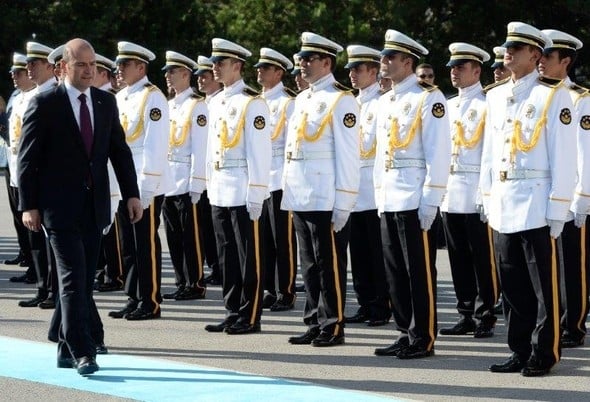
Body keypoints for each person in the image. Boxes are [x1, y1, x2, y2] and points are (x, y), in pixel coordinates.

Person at [18, 38, 141, 376]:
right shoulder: (45, 103)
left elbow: (119, 151)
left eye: (93, 65)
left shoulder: (104, 101)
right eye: (81, 65)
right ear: (63, 68)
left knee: (84, 281)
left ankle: (62, 345)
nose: (90, 71)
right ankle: (83, 351)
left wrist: (132, 194)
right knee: (72, 278)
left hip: (94, 206)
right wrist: (28, 205)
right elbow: (27, 161)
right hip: (57, 209)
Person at [481, 22, 576, 377]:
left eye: (516, 49)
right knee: (512, 286)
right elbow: (489, 154)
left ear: (535, 54)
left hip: (537, 202)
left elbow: (564, 156)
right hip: (504, 200)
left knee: (542, 287)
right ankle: (519, 349)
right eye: (507, 47)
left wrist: (558, 207)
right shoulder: (494, 95)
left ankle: (544, 352)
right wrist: (486, 197)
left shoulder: (552, 95)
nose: (508, 53)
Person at [373, 29, 451, 359]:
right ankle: (405, 331)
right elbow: (380, 154)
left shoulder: (428, 98)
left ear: (408, 62)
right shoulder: (386, 101)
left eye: (390, 57)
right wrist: (379, 194)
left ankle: (424, 336)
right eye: (384, 57)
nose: (384, 62)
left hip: (414, 196)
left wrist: (431, 198)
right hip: (390, 195)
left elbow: (438, 152)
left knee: (418, 271)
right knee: (395, 271)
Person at [282, 32, 360, 347]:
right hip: (301, 191)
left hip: (325, 194)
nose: (302, 64)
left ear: (326, 62)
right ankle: (314, 319)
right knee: (310, 264)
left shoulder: (342, 100)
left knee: (329, 264)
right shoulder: (302, 99)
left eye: (308, 59)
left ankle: (333, 324)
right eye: (301, 59)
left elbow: (348, 155)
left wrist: (344, 202)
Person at [204, 38, 271, 335]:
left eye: (221, 63)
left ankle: (250, 314)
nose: (215, 68)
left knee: (248, 256)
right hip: (220, 186)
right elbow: (211, 148)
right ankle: (232, 310)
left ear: (237, 66)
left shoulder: (252, 102)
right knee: (227, 255)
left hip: (243, 187)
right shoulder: (216, 101)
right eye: (214, 63)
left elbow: (259, 153)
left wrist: (256, 193)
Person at [438, 43, 499, 339]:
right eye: (452, 67)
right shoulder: (448, 106)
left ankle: (484, 313)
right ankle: (465, 313)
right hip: (451, 189)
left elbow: (491, 152)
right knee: (457, 256)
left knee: (481, 257)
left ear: (477, 70)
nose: (454, 72)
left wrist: (486, 193)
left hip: (475, 188)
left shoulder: (488, 105)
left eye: (460, 67)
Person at [108, 41, 171, 321]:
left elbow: (155, 146)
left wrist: (146, 189)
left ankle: (150, 300)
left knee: (144, 243)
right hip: (123, 182)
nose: (117, 70)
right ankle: (133, 296)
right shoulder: (120, 97)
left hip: (144, 183)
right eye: (118, 64)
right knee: (128, 244)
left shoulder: (152, 97)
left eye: (124, 65)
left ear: (141, 67)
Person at [539, 29, 589, 349]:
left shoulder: (579, 99)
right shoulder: (537, 95)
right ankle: (551, 319)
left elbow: (586, 151)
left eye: (548, 57)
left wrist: (582, 198)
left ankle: (574, 323)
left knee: (572, 263)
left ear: (565, 61)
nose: (540, 62)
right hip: (540, 195)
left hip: (570, 197)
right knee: (547, 264)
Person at [343, 45, 390, 327]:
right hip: (352, 189)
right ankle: (364, 301)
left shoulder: (382, 103)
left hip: (372, 188)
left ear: (373, 71)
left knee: (376, 252)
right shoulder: (350, 103)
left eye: (358, 69)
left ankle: (381, 305)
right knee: (358, 252)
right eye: (350, 69)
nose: (352, 74)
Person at [161, 51, 208, 301]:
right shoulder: (169, 105)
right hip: (169, 179)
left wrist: (197, 183)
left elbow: (200, 148)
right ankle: (181, 280)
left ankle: (195, 282)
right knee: (173, 235)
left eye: (172, 72)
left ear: (185, 74)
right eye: (167, 72)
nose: (168, 77)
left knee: (191, 236)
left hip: (187, 178)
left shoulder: (196, 106)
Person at [254, 47, 298, 312]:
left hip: (280, 178)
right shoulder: (257, 101)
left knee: (283, 239)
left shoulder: (288, 102)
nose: (259, 71)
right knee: (264, 239)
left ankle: (287, 290)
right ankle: (270, 287)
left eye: (265, 68)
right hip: (261, 180)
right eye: (259, 67)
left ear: (279, 72)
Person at [16, 41, 58, 309]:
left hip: (50, 184)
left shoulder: (54, 96)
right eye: (27, 64)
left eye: (34, 63)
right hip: (32, 180)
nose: (28, 68)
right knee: (37, 240)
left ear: (50, 67)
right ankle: (44, 287)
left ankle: (54, 290)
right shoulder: (30, 96)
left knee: (53, 243)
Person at [92, 54, 127, 292]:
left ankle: (115, 273)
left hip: (112, 173)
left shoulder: (110, 99)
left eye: (93, 70)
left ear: (104, 74)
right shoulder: (98, 99)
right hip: (100, 171)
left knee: (113, 225)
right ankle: (108, 270)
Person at [4, 52, 34, 276]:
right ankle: (25, 253)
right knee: (17, 213)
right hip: (13, 163)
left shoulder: (35, 97)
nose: (14, 76)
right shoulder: (16, 96)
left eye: (19, 72)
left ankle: (36, 265)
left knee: (29, 215)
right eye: (13, 73)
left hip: (27, 165)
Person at [194, 55, 222, 286]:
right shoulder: (201, 104)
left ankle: (219, 266)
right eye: (199, 76)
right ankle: (214, 264)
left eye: (206, 75)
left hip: (215, 173)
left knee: (215, 228)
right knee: (206, 225)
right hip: (204, 172)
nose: (201, 80)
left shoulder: (222, 101)